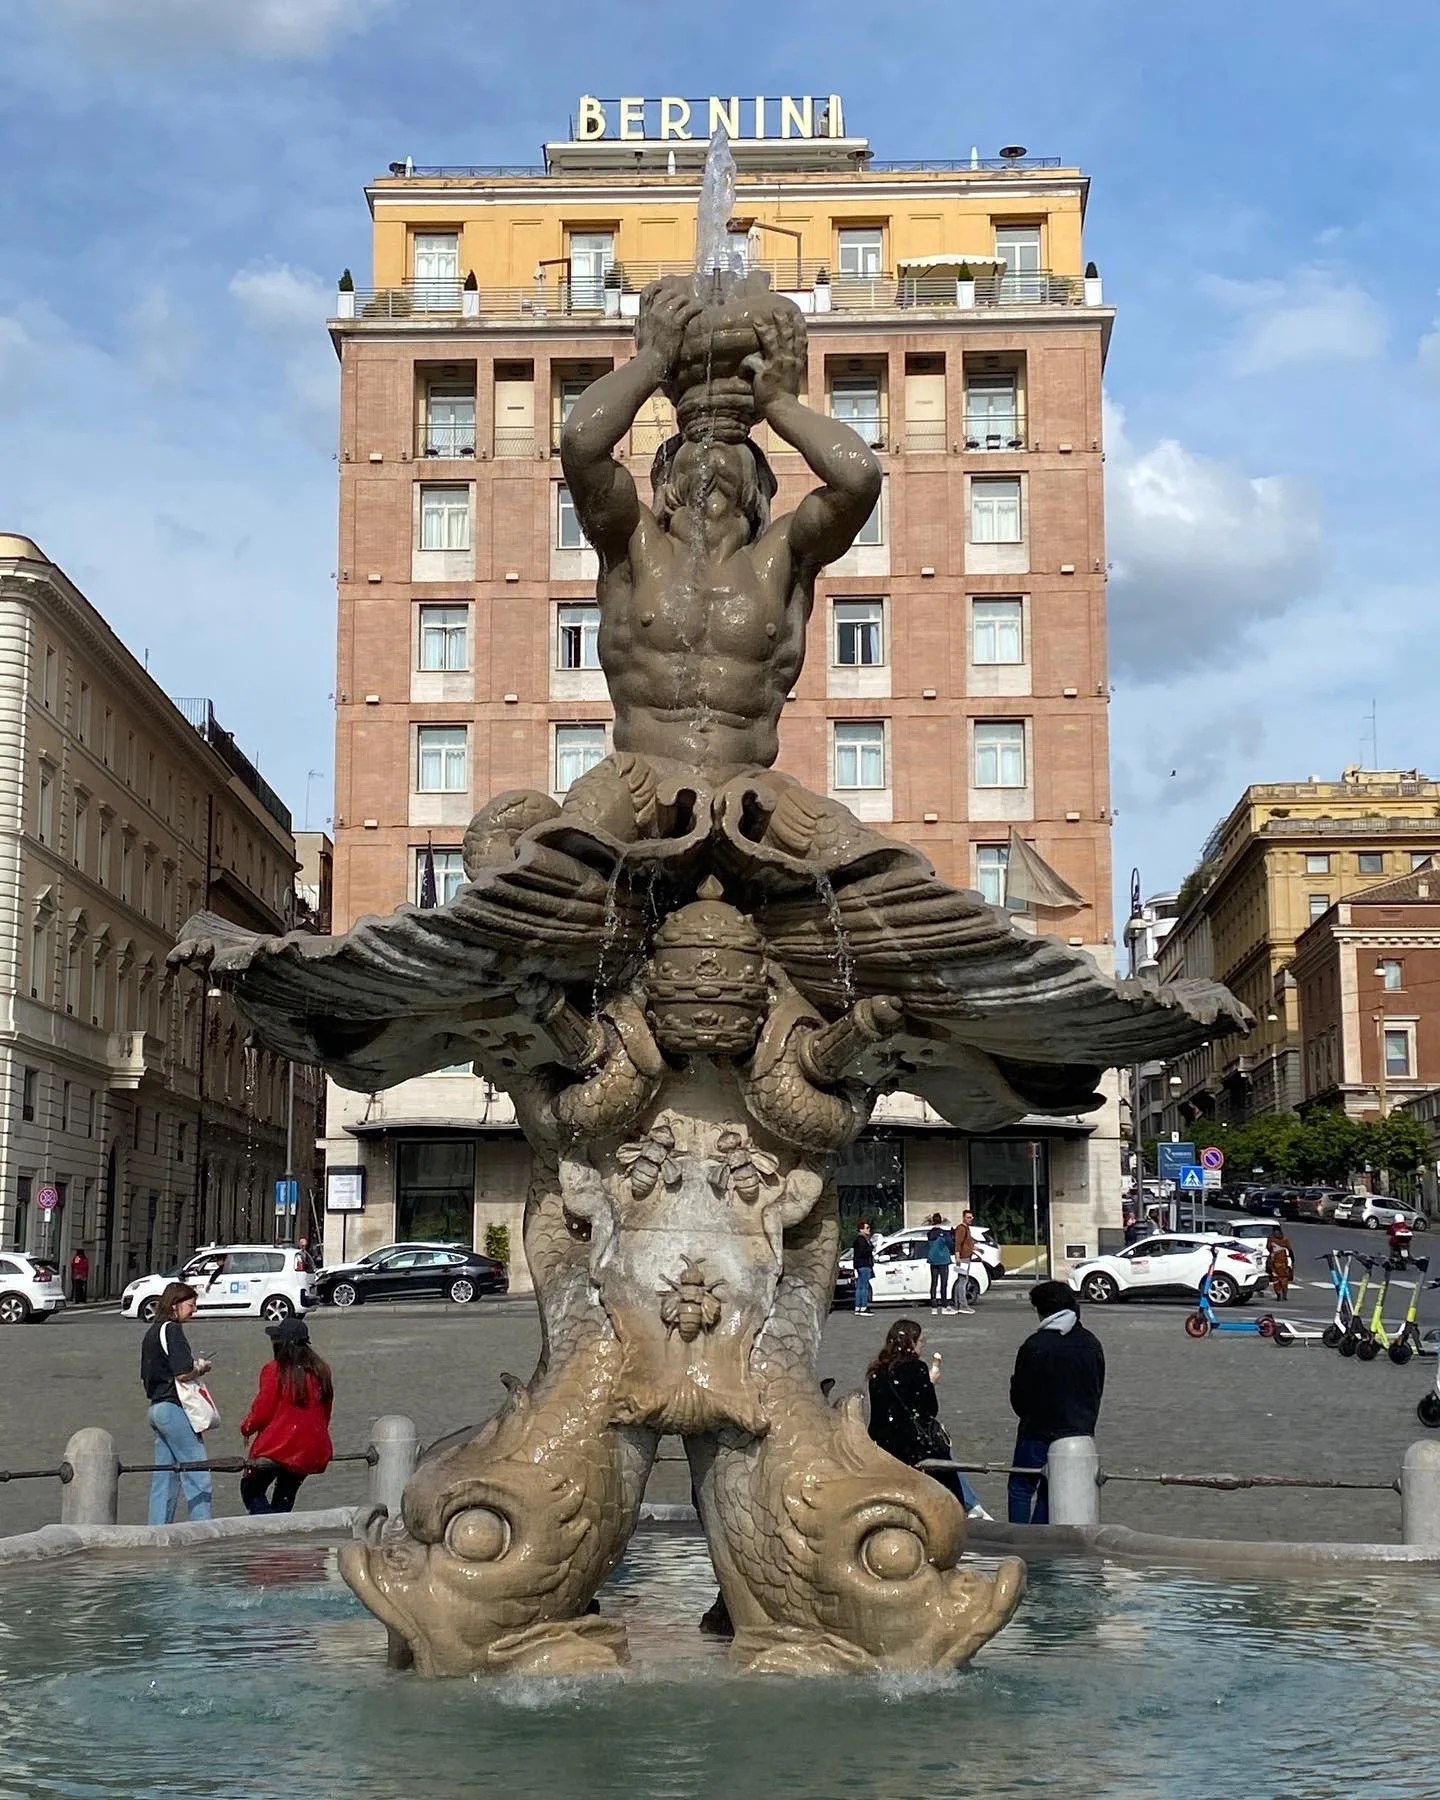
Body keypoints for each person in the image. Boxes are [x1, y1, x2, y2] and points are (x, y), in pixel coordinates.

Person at [866, 1318, 989, 1518]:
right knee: (944, 1464)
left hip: (882, 1442)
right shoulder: (917, 1367)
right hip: (912, 1444)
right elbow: (930, 1409)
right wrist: (929, 1383)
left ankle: (971, 1504)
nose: (923, 1345)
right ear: (911, 1343)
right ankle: (965, 1508)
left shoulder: (877, 1371)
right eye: (921, 1341)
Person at [1007, 1279, 1105, 1526]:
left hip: (1037, 1430)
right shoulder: (1091, 1343)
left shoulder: (1035, 1345)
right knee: (1051, 1490)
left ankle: (1020, 1539)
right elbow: (1097, 1387)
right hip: (1078, 1430)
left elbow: (1020, 1396)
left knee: (1021, 1485)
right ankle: (1042, 1537)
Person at [239, 1317, 334, 1514]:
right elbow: (326, 1412)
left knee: (251, 1489)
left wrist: (247, 1427)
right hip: (311, 1447)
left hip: (279, 1445)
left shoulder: (275, 1369)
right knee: (285, 1494)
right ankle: (280, 1529)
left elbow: (262, 1410)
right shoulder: (321, 1371)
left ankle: (269, 1532)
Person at [140, 1281, 213, 1525]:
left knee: (165, 1477)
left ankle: (157, 1533)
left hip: (156, 1408)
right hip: (173, 1409)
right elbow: (182, 1372)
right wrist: (200, 1367)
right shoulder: (172, 1330)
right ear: (175, 1305)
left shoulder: (152, 1331)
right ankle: (202, 1531)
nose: (194, 1311)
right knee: (198, 1472)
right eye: (191, 1305)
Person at [925, 1213, 954, 1314]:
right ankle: (944, 1305)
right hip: (943, 1259)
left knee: (934, 1283)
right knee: (943, 1283)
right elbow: (950, 1244)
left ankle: (933, 1307)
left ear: (933, 1221)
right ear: (941, 1221)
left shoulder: (929, 1233)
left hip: (933, 1259)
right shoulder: (944, 1233)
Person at [952, 1210, 977, 1316]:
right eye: (968, 1217)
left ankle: (958, 1304)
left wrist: (976, 1249)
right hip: (963, 1258)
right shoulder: (961, 1228)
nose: (970, 1219)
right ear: (963, 1217)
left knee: (961, 1280)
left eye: (971, 1217)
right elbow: (958, 1243)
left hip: (966, 1257)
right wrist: (957, 1256)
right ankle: (962, 1305)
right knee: (963, 1281)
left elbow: (968, 1243)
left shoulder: (966, 1228)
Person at [1266, 1224, 1295, 1301]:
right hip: (1284, 1262)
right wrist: (1292, 1261)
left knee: (1275, 1278)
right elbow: (1290, 1250)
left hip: (1274, 1262)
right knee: (1284, 1278)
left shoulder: (1271, 1239)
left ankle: (1278, 1293)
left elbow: (1268, 1248)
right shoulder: (1285, 1239)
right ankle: (1284, 1294)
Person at [851, 1219, 875, 1314]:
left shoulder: (859, 1239)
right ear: (861, 1230)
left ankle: (858, 1307)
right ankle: (863, 1307)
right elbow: (863, 1252)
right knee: (864, 1287)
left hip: (860, 1265)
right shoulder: (862, 1240)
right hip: (864, 1264)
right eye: (867, 1228)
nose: (869, 1230)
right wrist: (870, 1248)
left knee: (860, 1286)